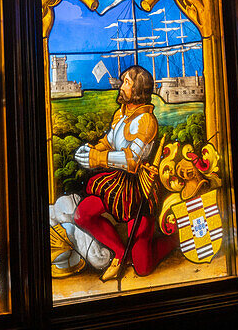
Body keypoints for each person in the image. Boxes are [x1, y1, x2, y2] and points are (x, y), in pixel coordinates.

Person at [73, 64, 176, 280]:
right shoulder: (121, 114)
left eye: (127, 82)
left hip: (138, 187)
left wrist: (97, 159)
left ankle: (176, 241)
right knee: (83, 215)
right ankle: (121, 254)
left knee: (143, 268)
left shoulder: (147, 121)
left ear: (138, 89)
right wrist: (92, 151)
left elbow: (132, 160)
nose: (122, 86)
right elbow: (108, 142)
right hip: (117, 181)